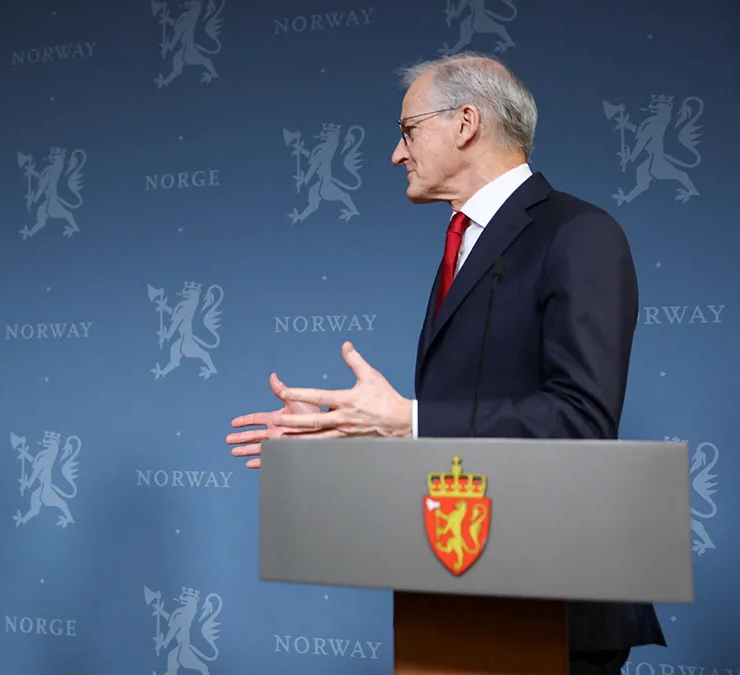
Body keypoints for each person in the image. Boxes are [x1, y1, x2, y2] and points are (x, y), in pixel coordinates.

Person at [225, 52, 665, 674]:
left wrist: (407, 418)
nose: (396, 154)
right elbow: (460, 427)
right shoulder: (464, 242)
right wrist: (351, 431)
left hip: (549, 600)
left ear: (465, 124)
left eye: (407, 131)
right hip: (456, 587)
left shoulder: (579, 234)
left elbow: (582, 420)